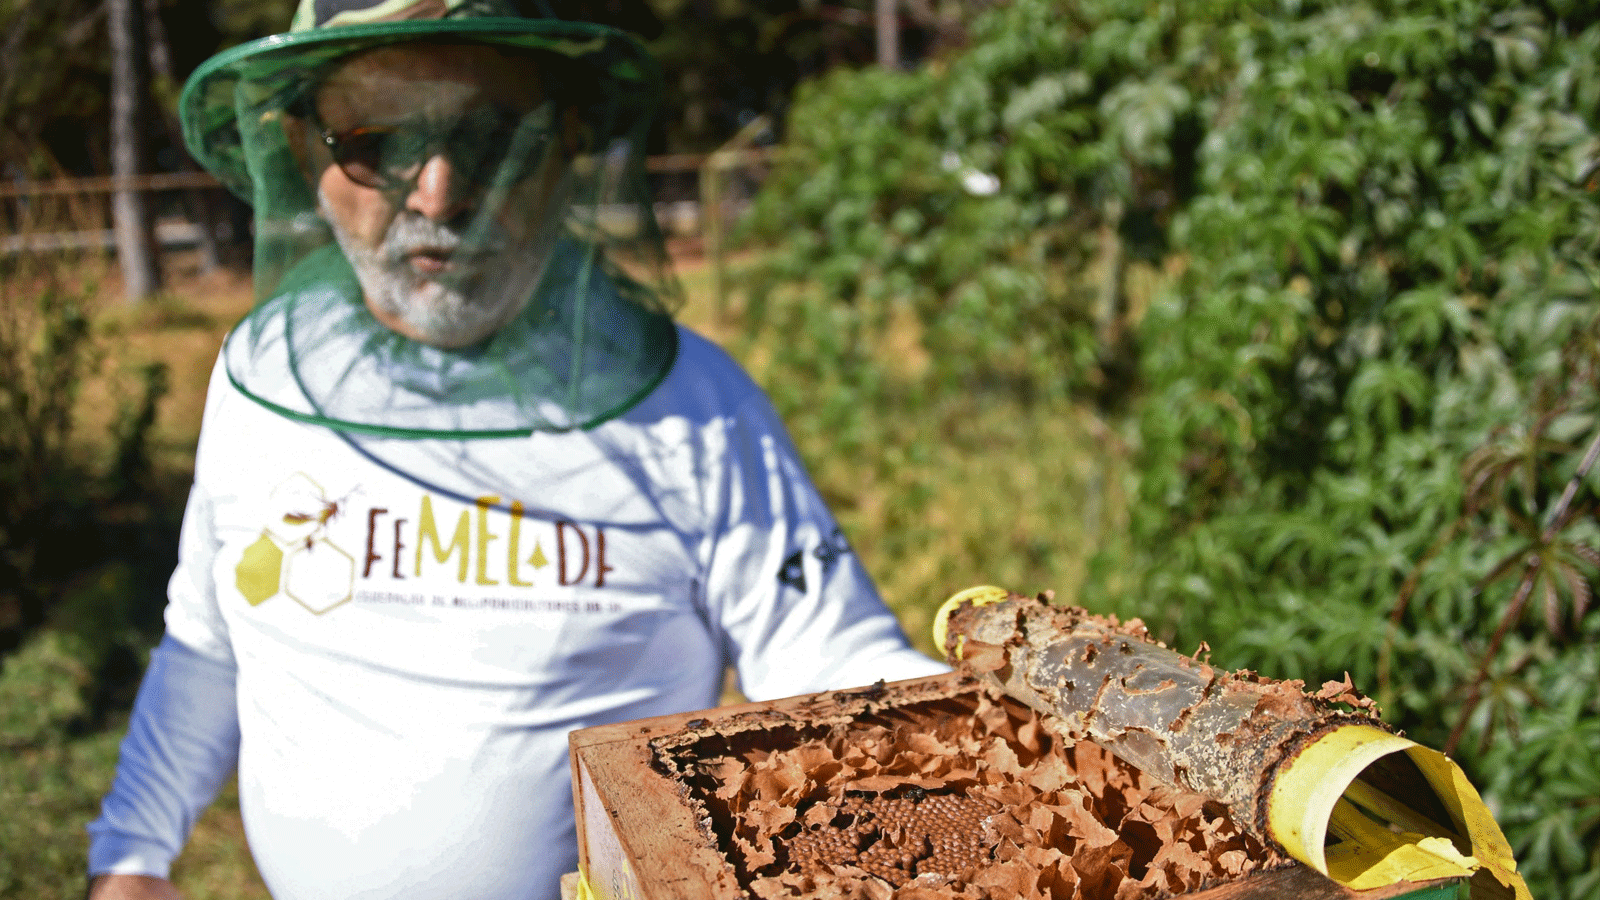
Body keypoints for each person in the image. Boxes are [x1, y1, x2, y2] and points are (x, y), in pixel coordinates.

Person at [85, 2, 947, 899]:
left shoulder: (698, 407)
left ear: (565, 142)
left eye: (492, 138)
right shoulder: (256, 379)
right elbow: (207, 637)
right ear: (306, 154)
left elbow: (827, 654)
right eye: (376, 143)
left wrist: (1001, 734)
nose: (439, 193)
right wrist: (133, 851)